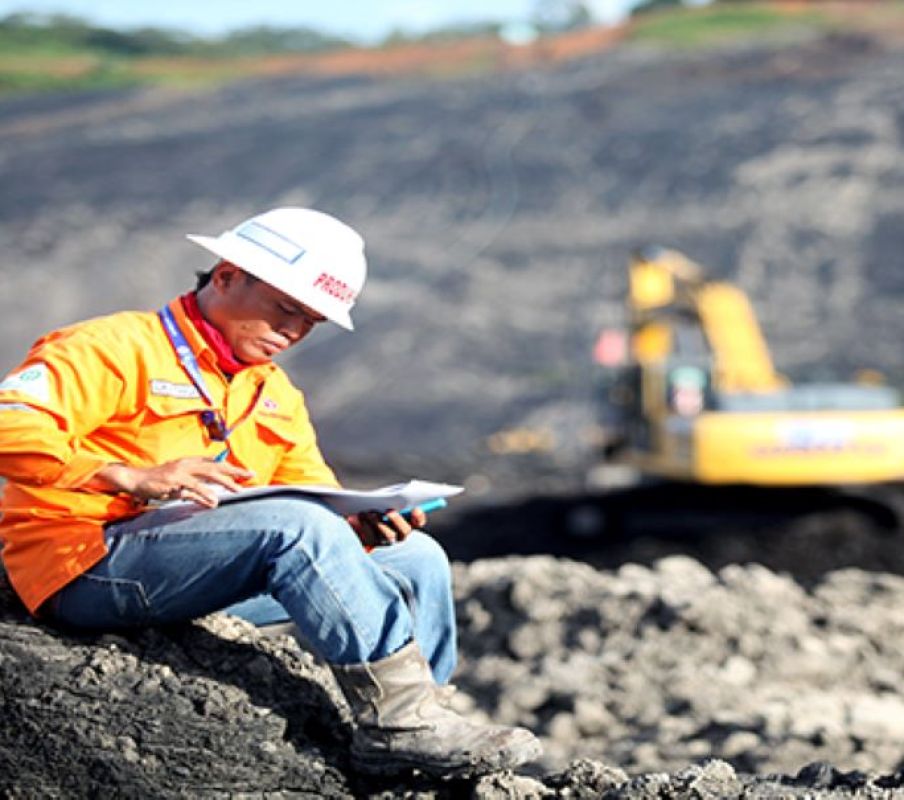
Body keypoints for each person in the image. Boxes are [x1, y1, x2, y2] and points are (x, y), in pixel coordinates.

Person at [0, 207, 541, 778]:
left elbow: (319, 503)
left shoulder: (275, 394)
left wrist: (365, 526)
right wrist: (128, 475)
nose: (294, 331)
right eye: (286, 308)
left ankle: (423, 725)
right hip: (83, 564)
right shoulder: (113, 346)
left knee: (414, 559)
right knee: (293, 526)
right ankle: (399, 725)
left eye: (311, 321)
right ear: (228, 275)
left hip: (186, 573)